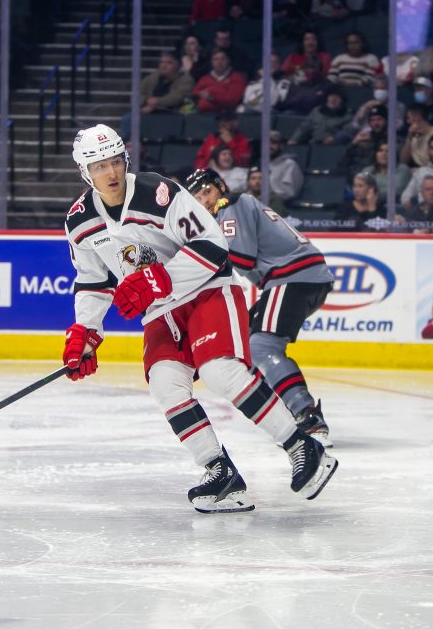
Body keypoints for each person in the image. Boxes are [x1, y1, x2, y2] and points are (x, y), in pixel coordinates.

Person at [61, 124, 337, 513]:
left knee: (221, 371)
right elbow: (94, 281)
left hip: (207, 288)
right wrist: (86, 332)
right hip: (161, 310)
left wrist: (161, 277)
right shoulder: (79, 221)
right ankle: (219, 471)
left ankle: (300, 445)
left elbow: (213, 244)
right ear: (84, 172)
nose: (111, 173)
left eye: (115, 161)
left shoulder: (160, 193)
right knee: (164, 384)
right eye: (100, 166)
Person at [187, 166, 335, 446]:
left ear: (220, 188)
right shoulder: (236, 206)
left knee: (261, 346)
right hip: (298, 277)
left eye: (207, 192)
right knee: (245, 339)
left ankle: (307, 416)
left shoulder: (228, 205)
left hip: (293, 277)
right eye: (197, 198)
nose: (205, 201)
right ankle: (287, 410)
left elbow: (241, 258)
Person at [288, 85, 353, 145]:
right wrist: (294, 139)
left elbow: (346, 134)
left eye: (337, 96)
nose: (333, 99)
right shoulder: (317, 111)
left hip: (333, 148)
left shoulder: (347, 117)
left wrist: (334, 139)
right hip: (313, 145)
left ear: (343, 100)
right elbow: (304, 128)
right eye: (331, 95)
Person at [191, 49, 246, 114]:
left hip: (228, 117)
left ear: (228, 60)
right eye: (215, 59)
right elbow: (195, 94)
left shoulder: (237, 77)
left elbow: (232, 101)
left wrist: (212, 98)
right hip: (203, 116)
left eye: (223, 59)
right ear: (211, 62)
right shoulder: (204, 79)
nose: (219, 62)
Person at [399, 104, 433, 169]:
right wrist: (409, 138)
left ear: (417, 118)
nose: (407, 122)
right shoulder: (412, 136)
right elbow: (403, 161)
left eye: (408, 118)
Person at [266, 130, 304, 204]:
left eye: (273, 143)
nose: (269, 146)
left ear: (281, 145)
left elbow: (289, 193)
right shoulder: (261, 163)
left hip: (279, 206)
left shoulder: (289, 165)